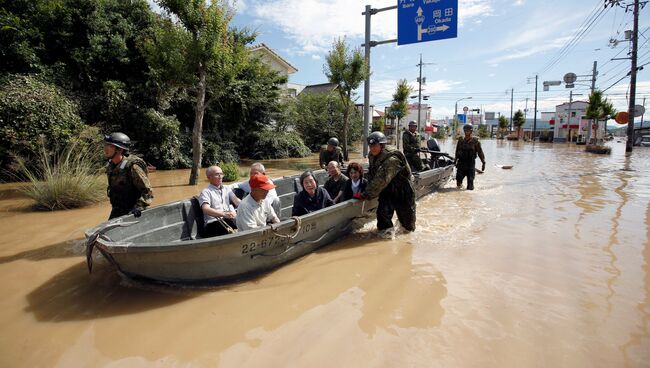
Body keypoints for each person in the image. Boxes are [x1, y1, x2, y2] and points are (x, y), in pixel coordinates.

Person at [357, 131, 416, 232]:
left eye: (374, 146)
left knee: (407, 224)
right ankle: (385, 237)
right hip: (388, 188)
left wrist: (366, 194)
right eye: (370, 146)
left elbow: (381, 179)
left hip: (403, 189)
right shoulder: (372, 155)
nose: (372, 148)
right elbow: (372, 173)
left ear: (382, 145)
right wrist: (365, 189)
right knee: (382, 215)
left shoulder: (392, 159)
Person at [104, 132, 153, 219]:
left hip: (134, 212)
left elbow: (147, 191)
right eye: (106, 145)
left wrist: (139, 207)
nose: (106, 148)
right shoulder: (111, 166)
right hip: (117, 210)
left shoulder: (133, 167)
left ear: (119, 150)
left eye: (110, 146)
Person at [199, 165, 241, 236]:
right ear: (209, 177)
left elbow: (236, 201)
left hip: (228, 220)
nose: (220, 176)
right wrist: (224, 214)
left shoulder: (226, 189)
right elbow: (205, 209)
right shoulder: (206, 192)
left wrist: (248, 206)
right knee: (231, 232)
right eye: (217, 174)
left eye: (221, 174)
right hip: (213, 223)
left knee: (244, 225)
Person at [454, 124, 486, 191]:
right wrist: (455, 160)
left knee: (470, 185)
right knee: (458, 180)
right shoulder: (460, 140)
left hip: (470, 164)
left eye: (468, 131)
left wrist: (483, 162)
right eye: (465, 130)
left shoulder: (476, 142)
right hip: (461, 163)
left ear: (471, 131)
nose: (466, 132)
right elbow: (457, 151)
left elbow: (480, 152)